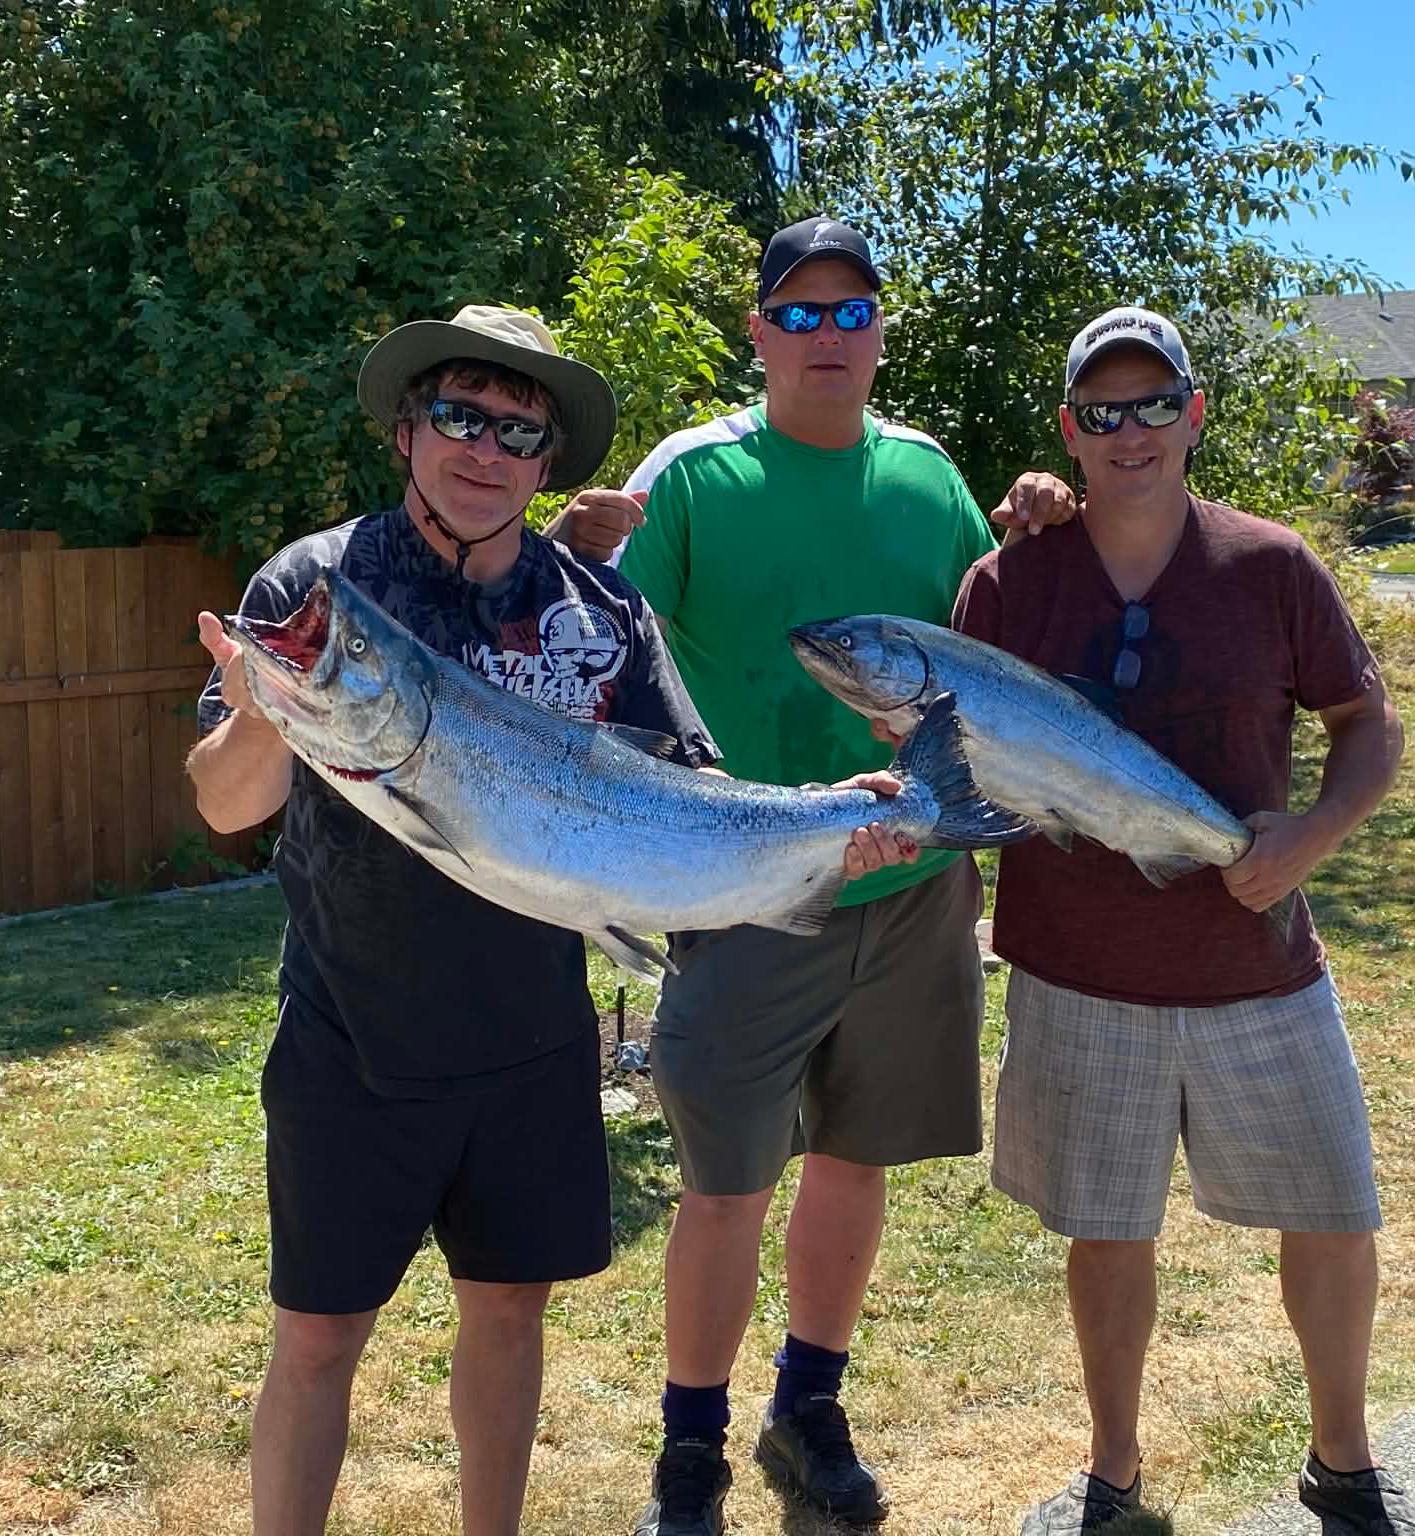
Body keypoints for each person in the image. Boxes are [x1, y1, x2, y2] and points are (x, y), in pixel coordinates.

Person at [187, 306, 907, 1536]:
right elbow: (223, 804)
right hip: (348, 1033)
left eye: (519, 431)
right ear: (409, 429)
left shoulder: (600, 612)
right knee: (317, 1335)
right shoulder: (317, 589)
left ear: (545, 461)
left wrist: (832, 828)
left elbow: (695, 794)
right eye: (461, 416)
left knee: (509, 1312)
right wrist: (262, 707)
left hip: (528, 1038)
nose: (486, 450)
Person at [550, 217, 1073, 1536]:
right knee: (728, 1186)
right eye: (801, 313)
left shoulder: (926, 479)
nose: (828, 338)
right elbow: (596, 659)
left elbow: (997, 643)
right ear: (759, 332)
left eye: (853, 315)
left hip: (913, 895)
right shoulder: (693, 477)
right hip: (749, 887)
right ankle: (691, 1450)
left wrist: (1042, 528)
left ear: (883, 333)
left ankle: (810, 1406)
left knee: (856, 1158)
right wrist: (573, 549)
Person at [951, 307, 1415, 1536]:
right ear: (1068, 429)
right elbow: (954, 763)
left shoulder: (1269, 567)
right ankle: (1109, 1477)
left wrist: (1311, 835)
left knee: (1332, 1215)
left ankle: (1344, 1464)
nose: (1129, 432)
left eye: (1153, 404)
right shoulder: (1004, 581)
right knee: (1106, 1235)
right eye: (1102, 412)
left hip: (1255, 967)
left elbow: (1366, 722)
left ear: (1192, 415)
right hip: (1075, 973)